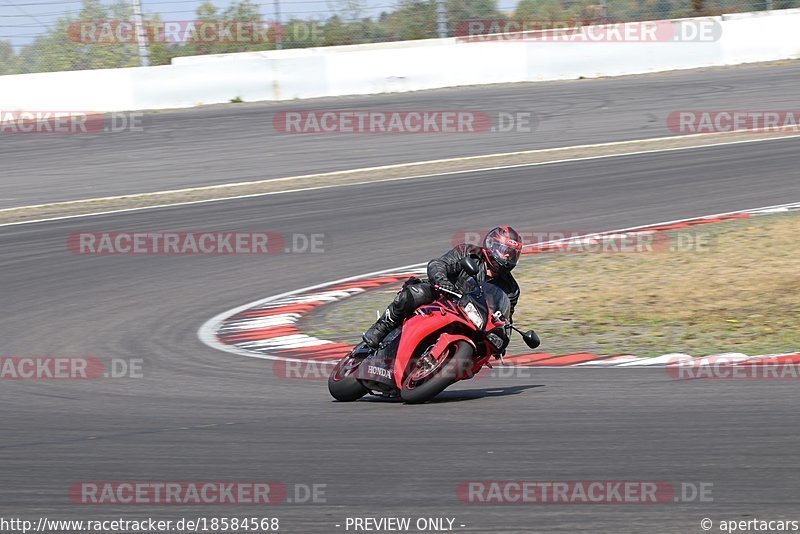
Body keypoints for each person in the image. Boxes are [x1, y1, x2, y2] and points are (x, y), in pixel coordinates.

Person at [362, 226, 523, 348]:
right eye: (504, 251)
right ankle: (380, 329)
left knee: (486, 347)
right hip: (442, 297)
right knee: (415, 293)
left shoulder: (511, 289)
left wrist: (502, 336)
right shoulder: (468, 252)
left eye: (511, 254)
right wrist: (442, 282)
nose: (507, 257)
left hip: (471, 319)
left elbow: (505, 318)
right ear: (492, 246)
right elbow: (439, 264)